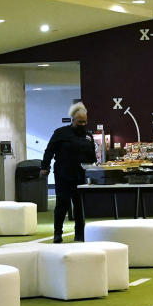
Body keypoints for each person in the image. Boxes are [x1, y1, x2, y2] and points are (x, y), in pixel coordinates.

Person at [41, 102, 96, 243]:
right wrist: (44, 166)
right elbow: (49, 150)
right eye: (80, 122)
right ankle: (57, 233)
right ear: (73, 120)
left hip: (81, 175)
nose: (83, 124)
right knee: (62, 204)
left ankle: (79, 235)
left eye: (85, 122)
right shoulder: (60, 133)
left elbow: (92, 157)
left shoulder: (88, 136)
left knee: (79, 205)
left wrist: (94, 169)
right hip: (63, 174)